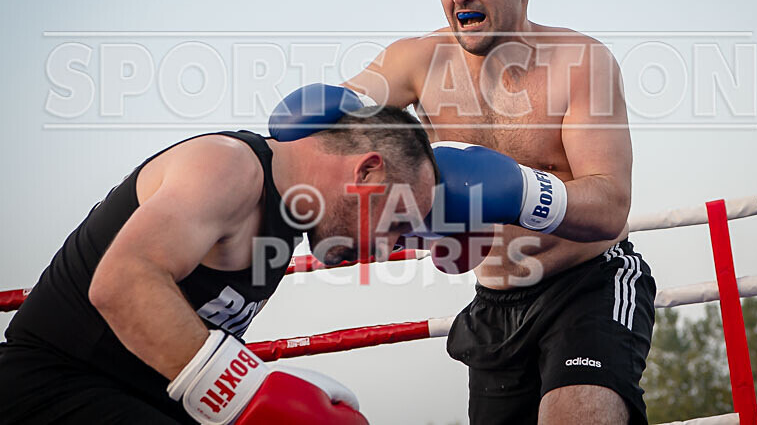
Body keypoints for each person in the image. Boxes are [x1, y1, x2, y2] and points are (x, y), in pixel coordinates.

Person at [343, 0, 657, 425]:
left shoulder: (580, 62)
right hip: (494, 302)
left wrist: (517, 190)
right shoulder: (416, 60)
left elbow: (610, 205)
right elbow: (335, 127)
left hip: (588, 285)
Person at [0, 106, 438, 424]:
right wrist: (249, 392)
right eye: (397, 221)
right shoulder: (227, 166)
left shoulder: (286, 222)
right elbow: (122, 281)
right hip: (48, 386)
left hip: (134, 397)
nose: (388, 247)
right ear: (366, 172)